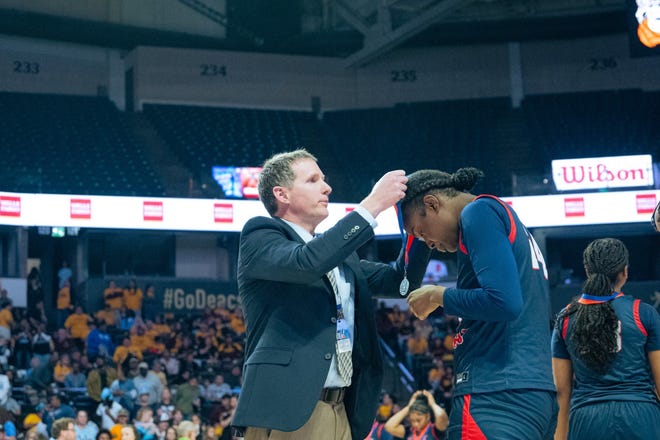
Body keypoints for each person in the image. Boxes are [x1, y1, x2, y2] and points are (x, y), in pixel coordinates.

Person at [231, 149, 430, 440]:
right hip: (288, 410)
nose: (327, 187)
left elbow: (401, 281)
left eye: (324, 179)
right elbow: (306, 263)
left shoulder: (338, 256)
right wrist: (372, 205)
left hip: (341, 408)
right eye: (313, 180)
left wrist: (420, 221)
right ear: (282, 194)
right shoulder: (260, 236)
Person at [401, 168, 557, 439]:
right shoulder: (502, 217)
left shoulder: (477, 214)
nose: (428, 243)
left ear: (432, 203)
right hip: (533, 393)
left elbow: (503, 302)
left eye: (421, 231)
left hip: (494, 396)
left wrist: (438, 295)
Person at [551, 238, 660, 439]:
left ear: (587, 271)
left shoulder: (565, 318)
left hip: (587, 420)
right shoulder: (644, 313)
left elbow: (561, 391)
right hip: (640, 416)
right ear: (625, 272)